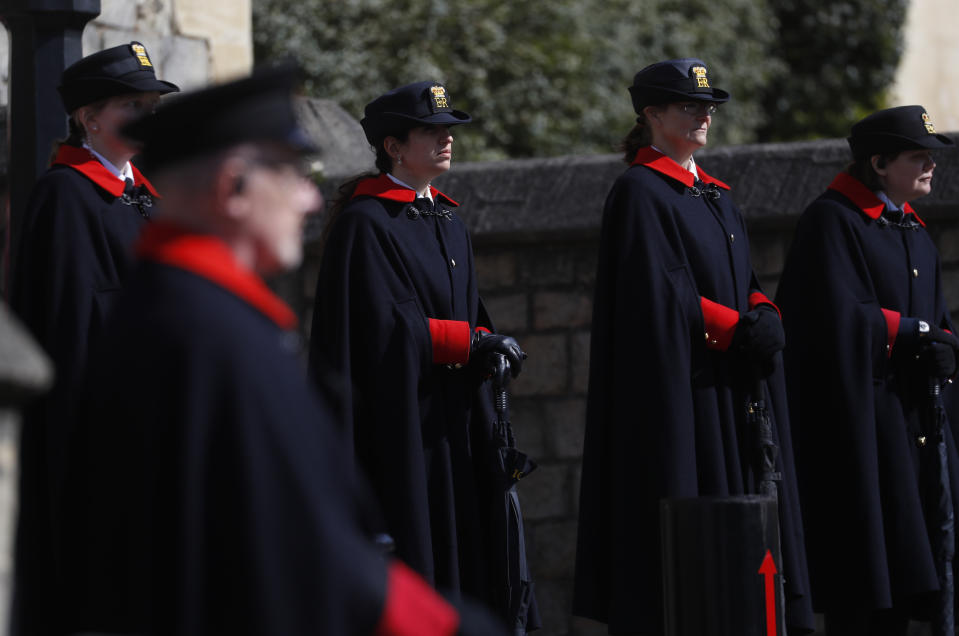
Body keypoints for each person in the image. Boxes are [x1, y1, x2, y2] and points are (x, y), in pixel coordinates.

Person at [55, 65, 506, 636]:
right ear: (233, 186)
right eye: (292, 173)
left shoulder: (190, 313)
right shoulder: (211, 336)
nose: (309, 199)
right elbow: (295, 547)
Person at [572, 58, 813, 634]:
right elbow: (661, 294)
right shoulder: (640, 191)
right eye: (690, 106)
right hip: (689, 390)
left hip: (733, 386)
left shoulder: (716, 195)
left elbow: (745, 282)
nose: (705, 115)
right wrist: (736, 329)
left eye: (707, 106)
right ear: (652, 115)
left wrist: (766, 314)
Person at [308, 81, 539, 631]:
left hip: (455, 421)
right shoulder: (366, 223)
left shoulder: (446, 219)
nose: (446, 140)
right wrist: (470, 343)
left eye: (449, 131)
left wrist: (490, 345)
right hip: (404, 427)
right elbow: (384, 328)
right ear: (393, 146)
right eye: (431, 132)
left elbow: (468, 310)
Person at [8, 41, 178, 636]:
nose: (149, 118)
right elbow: (73, 331)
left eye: (153, 104)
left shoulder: (147, 194)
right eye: (135, 104)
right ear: (90, 116)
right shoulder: (66, 197)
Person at [776, 105, 959, 635]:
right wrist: (912, 333)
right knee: (867, 589)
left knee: (910, 576)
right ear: (879, 163)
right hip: (863, 432)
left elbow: (937, 319)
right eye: (917, 156)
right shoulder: (833, 219)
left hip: (912, 427)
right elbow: (831, 315)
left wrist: (943, 342)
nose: (930, 166)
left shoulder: (913, 229)